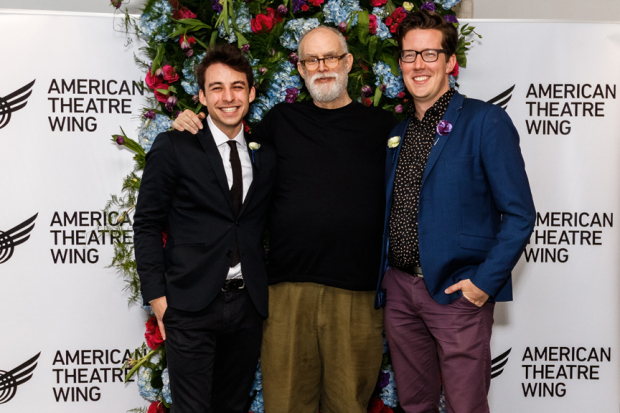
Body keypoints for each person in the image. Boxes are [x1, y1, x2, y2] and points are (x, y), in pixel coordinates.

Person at [172, 26, 398, 413]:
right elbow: (226, 146)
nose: (321, 67)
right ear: (300, 69)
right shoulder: (279, 121)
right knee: (286, 404)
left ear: (347, 63)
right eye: (311, 60)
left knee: (349, 405)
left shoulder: (382, 128)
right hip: (287, 293)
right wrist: (188, 124)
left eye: (330, 57)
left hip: (357, 296)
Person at [375, 10, 536, 413]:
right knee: (414, 404)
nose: (418, 64)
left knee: (466, 406)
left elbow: (519, 214)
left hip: (457, 293)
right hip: (400, 292)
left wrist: (482, 284)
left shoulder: (485, 121)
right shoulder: (398, 133)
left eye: (430, 54)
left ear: (450, 62)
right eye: (409, 55)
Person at [133, 44, 276, 413]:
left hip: (247, 306)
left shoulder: (266, 149)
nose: (228, 97)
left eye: (237, 86)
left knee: (233, 406)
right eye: (216, 88)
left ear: (251, 93)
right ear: (201, 96)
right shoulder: (175, 145)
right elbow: (147, 222)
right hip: (190, 304)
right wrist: (158, 300)